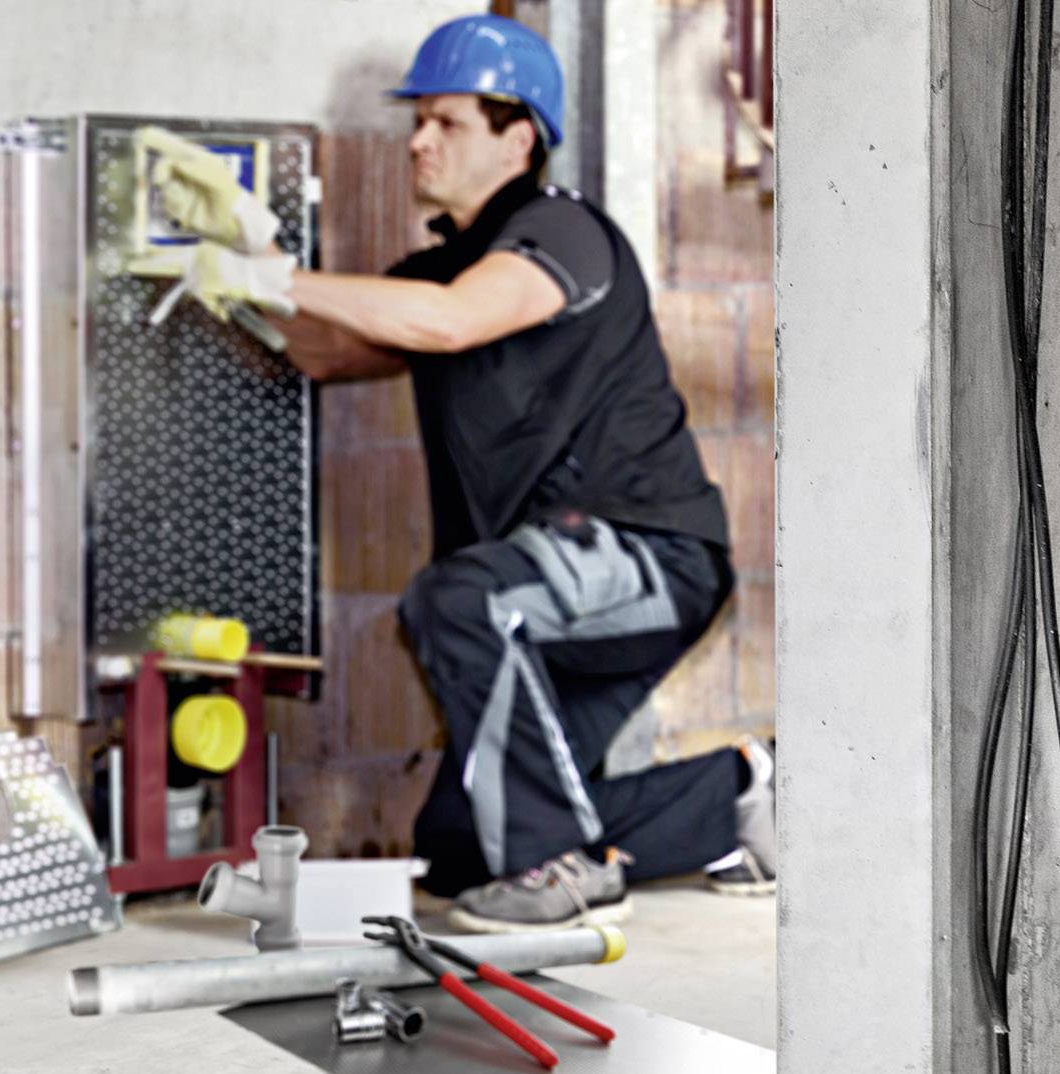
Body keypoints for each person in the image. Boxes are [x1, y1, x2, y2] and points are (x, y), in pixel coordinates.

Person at [132, 15, 776, 932]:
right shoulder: (441, 266)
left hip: (651, 558)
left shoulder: (567, 233)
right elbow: (327, 354)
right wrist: (240, 280)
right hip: (547, 590)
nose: (420, 142)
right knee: (463, 848)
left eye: (448, 123)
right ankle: (748, 789)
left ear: (520, 137)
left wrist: (279, 277)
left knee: (461, 604)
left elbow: (448, 322)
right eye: (416, 123)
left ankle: (560, 870)